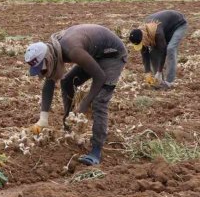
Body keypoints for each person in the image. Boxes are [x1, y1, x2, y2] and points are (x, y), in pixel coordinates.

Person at [24, 24, 127, 166]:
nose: (42, 73)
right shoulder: (53, 49)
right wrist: (43, 120)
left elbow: (100, 77)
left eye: (42, 69)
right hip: (95, 54)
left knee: (98, 101)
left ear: (48, 59)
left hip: (113, 56)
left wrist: (84, 104)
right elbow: (49, 80)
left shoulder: (72, 50)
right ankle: (69, 126)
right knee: (67, 82)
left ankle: (96, 151)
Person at [128, 9, 188, 89]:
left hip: (179, 24)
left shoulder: (157, 33)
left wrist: (159, 72)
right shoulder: (142, 34)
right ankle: (159, 82)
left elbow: (163, 52)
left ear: (144, 38)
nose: (141, 45)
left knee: (170, 49)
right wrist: (147, 72)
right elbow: (145, 53)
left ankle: (169, 82)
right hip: (166, 28)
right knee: (153, 52)